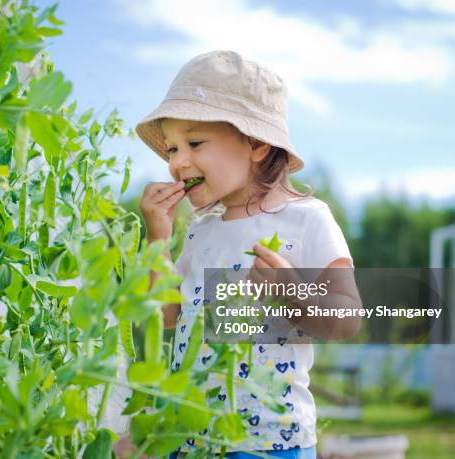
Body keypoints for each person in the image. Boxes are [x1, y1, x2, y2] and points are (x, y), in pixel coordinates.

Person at [116, 50, 361, 458]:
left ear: (258, 143)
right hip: (189, 435)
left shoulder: (307, 220)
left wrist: (291, 292)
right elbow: (164, 316)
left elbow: (347, 320)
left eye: (193, 142)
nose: (177, 162)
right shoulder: (201, 230)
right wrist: (157, 238)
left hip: (269, 442)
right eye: (173, 149)